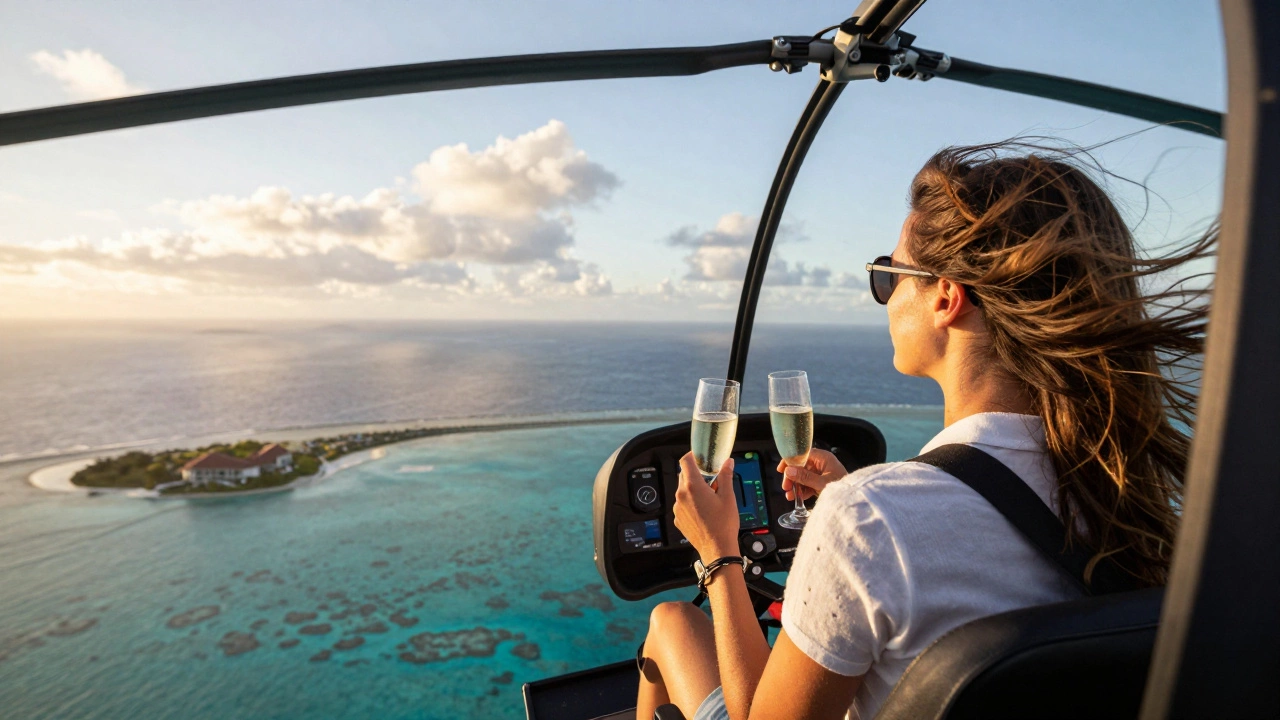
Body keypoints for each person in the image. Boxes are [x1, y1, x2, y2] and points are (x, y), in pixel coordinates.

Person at [636, 139, 1212, 720]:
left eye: (887, 276)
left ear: (946, 297)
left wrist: (719, 556)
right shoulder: (1133, 495)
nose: (884, 298)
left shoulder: (867, 520)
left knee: (670, 622)